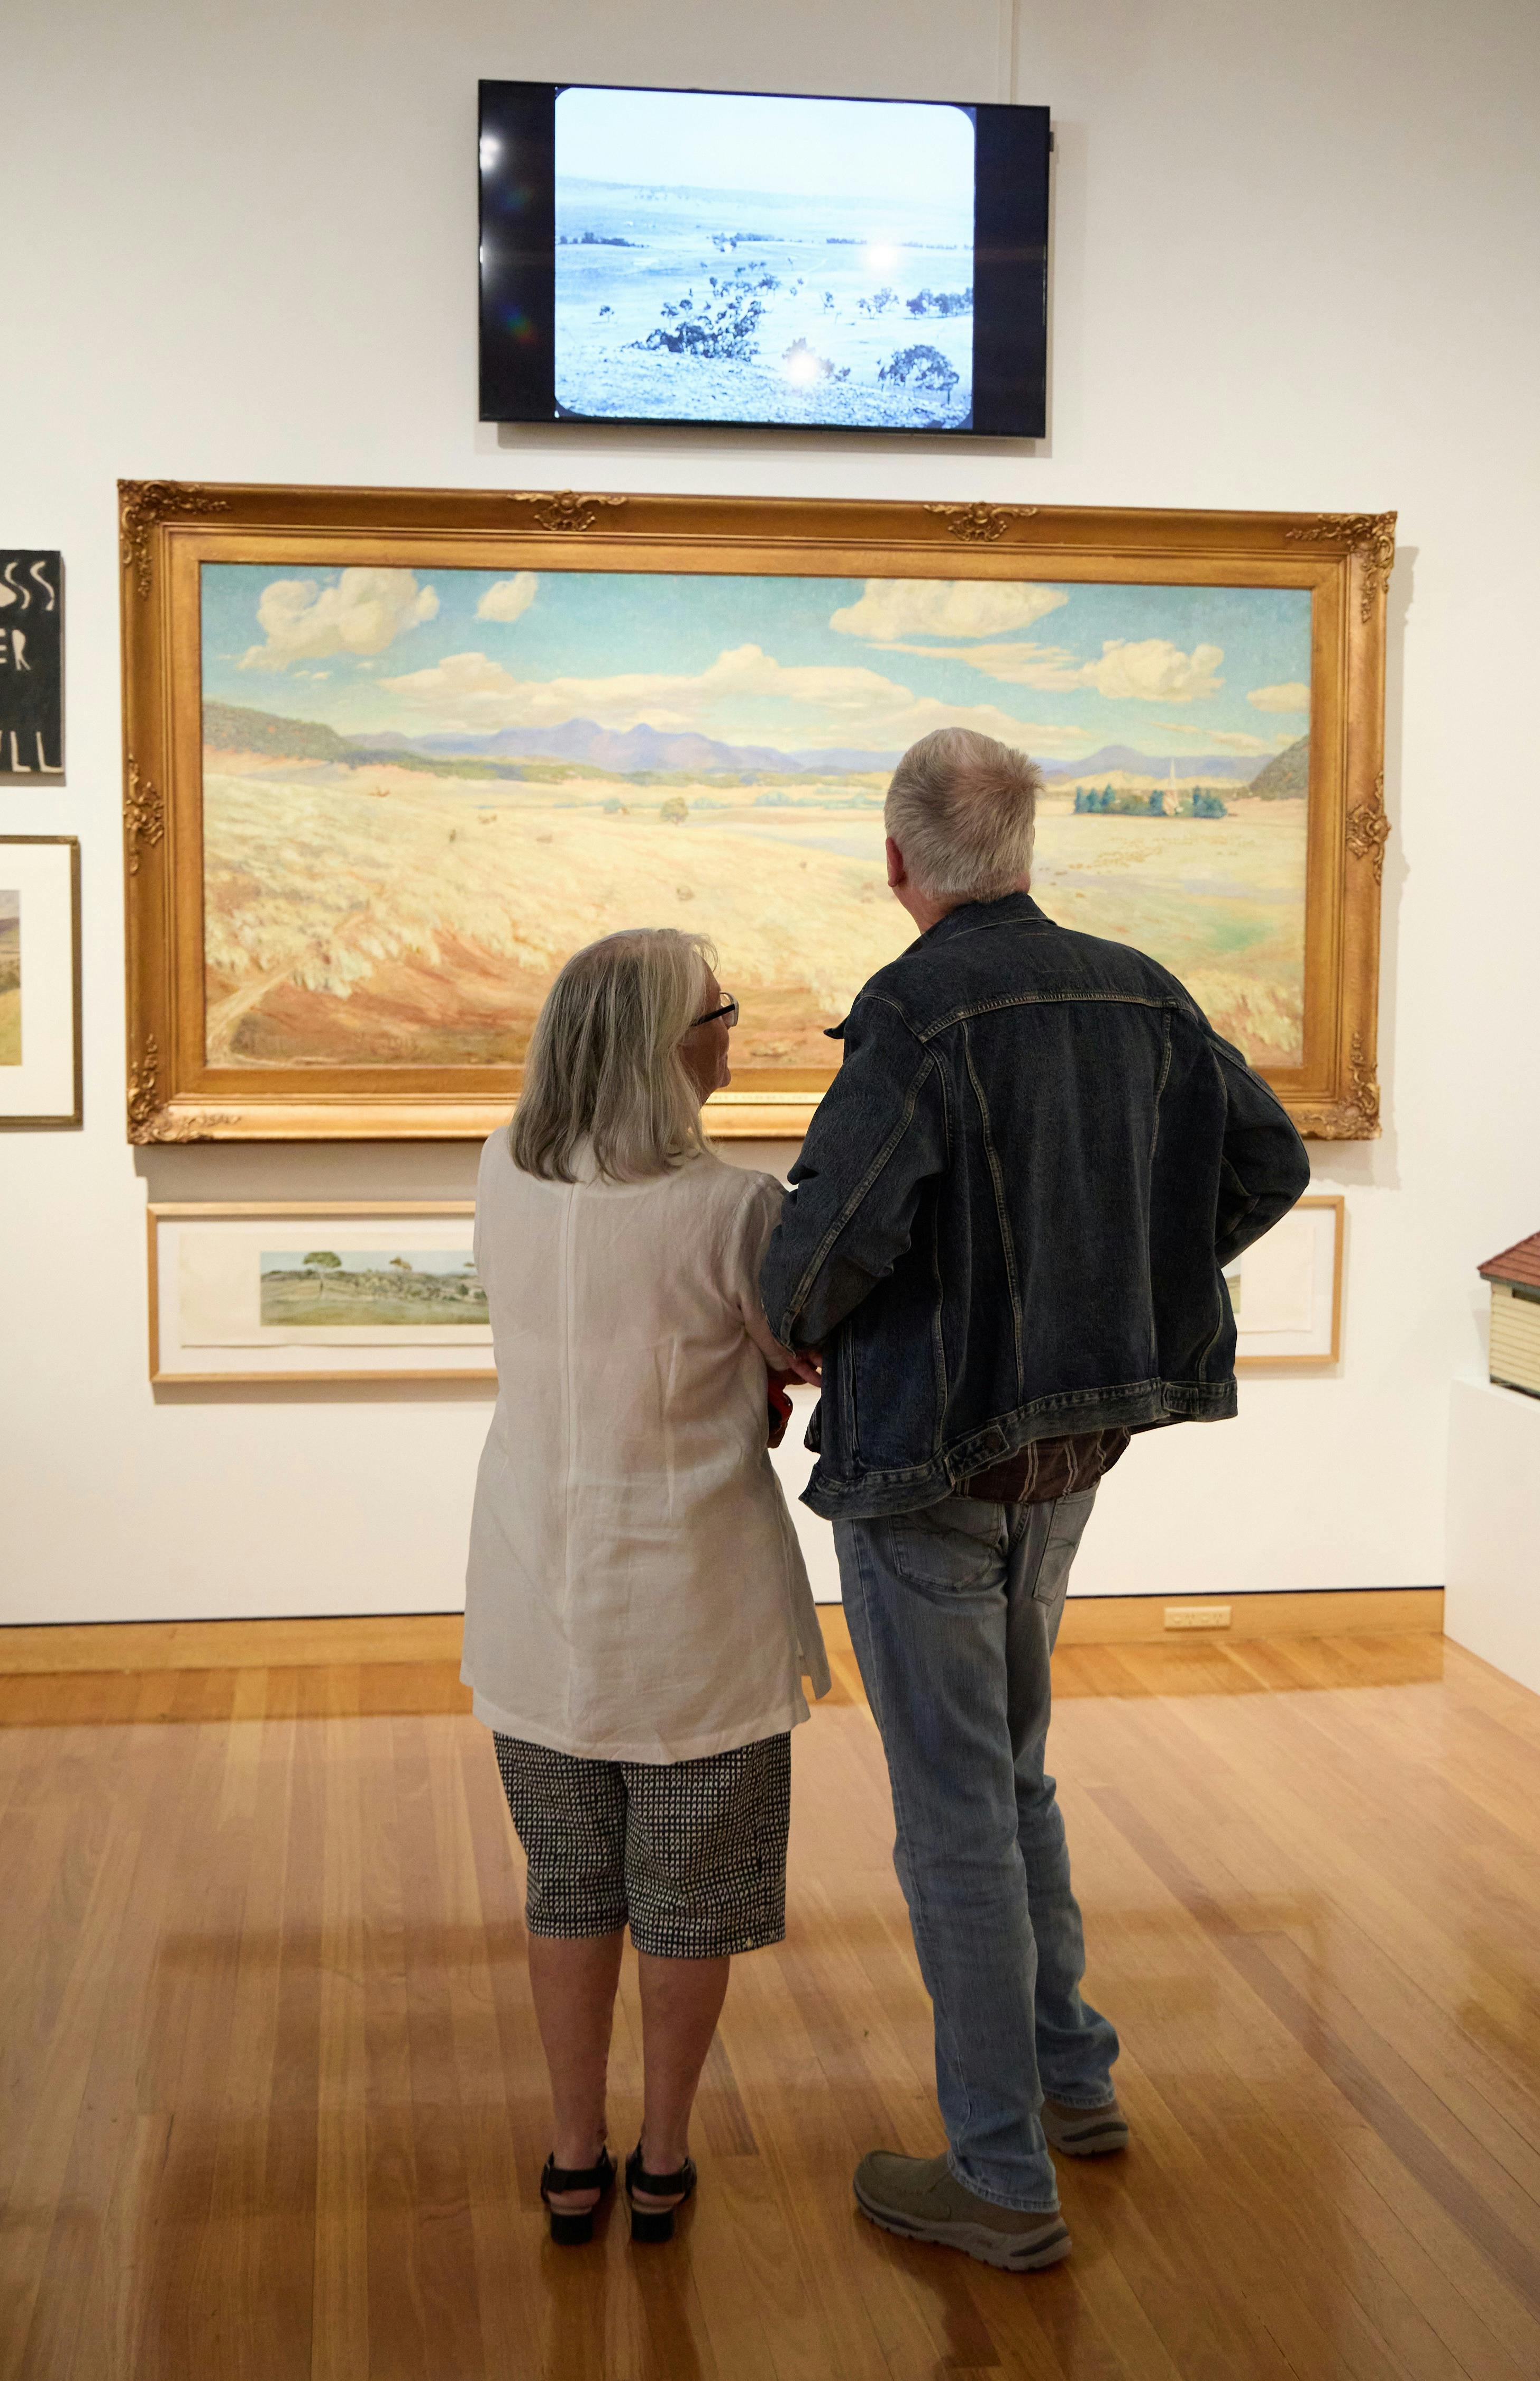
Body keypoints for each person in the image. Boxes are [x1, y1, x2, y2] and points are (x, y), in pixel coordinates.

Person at [760, 726, 1309, 2270]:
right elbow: (1264, 1162)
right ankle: (1072, 2079)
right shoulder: (1142, 984)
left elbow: (829, 1241)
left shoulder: (916, 1014)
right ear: (1023, 850)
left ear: (898, 860)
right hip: (1071, 1453)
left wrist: (790, 1311)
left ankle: (1001, 2175)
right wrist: (1126, 1281)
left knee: (954, 1815)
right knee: (1014, 1773)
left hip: (934, 1456)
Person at [463, 926, 828, 2248]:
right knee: (690, 1896)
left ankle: (573, 2157)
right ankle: (663, 2159)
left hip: (531, 1594)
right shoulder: (737, 1209)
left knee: (568, 1884)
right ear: (664, 1051)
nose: (734, 1030)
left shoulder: (502, 1168)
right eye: (718, 1013)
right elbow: (802, 1348)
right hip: (692, 1606)